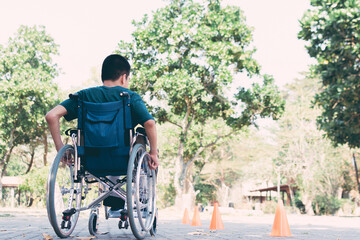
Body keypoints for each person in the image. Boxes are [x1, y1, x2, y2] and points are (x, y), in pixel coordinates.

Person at [45, 54, 158, 212]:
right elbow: (150, 123)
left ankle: (113, 196)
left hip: (90, 160)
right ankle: (140, 196)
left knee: (108, 146)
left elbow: (51, 116)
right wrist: (153, 152)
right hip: (123, 158)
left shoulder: (83, 96)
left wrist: (60, 149)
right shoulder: (130, 97)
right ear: (124, 77)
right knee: (140, 137)